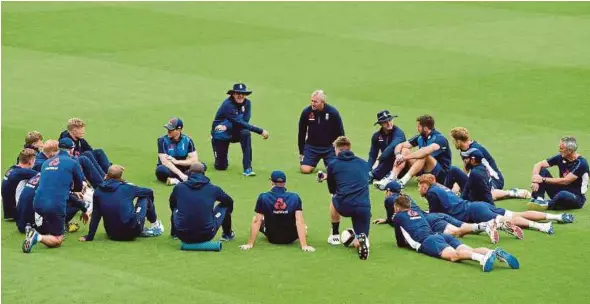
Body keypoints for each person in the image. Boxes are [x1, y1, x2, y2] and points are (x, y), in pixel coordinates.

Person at [419, 174, 574, 238]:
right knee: (516, 214)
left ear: (425, 185)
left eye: (420, 185)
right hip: (477, 206)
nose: (419, 189)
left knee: (506, 221)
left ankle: (543, 227)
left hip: (473, 213)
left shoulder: (432, 193)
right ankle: (557, 217)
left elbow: (438, 212)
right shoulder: (441, 188)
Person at [392, 194, 519, 272]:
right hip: (440, 235)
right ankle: (492, 252)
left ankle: (482, 259)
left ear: (397, 207)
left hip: (429, 241)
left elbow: (400, 241)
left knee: (454, 255)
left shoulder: (397, 217)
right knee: (470, 249)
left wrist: (404, 245)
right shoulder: (418, 213)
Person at [372, 181, 499, 244]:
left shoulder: (389, 199)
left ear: (388, 192)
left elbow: (394, 219)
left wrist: (389, 220)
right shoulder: (405, 197)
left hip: (430, 220)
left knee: (455, 233)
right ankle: (491, 224)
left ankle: (485, 226)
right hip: (437, 215)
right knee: (462, 226)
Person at [22, 138, 86, 253]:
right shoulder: (73, 163)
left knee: (51, 217)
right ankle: (37, 236)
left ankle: (40, 230)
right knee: (57, 240)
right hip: (55, 205)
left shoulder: (46, 163)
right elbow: (78, 187)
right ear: (71, 150)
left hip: (37, 203)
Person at [376, 115, 465, 190]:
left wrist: (405, 158)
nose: (417, 128)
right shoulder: (420, 137)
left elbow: (425, 151)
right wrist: (398, 155)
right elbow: (400, 145)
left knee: (424, 155)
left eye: (418, 126)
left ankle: (402, 182)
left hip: (441, 174)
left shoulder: (439, 139)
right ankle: (391, 178)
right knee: (405, 150)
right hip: (424, 169)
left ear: (425, 128)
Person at [318, 136, 370, 260]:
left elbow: (332, 189)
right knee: (361, 238)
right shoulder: (363, 163)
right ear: (349, 148)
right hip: (364, 206)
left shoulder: (332, 164)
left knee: (333, 198)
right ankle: (361, 240)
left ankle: (335, 235)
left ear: (336, 149)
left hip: (345, 205)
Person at [80, 165, 163, 242]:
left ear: (106, 175)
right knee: (145, 197)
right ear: (120, 177)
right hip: (133, 232)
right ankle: (154, 223)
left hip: (112, 234)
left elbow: (96, 215)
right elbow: (149, 191)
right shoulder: (127, 187)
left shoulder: (98, 191)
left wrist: (89, 236)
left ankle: (137, 224)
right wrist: (149, 209)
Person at [239, 171, 314, 252]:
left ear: (271, 182)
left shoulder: (263, 197)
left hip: (272, 238)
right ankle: (303, 234)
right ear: (285, 183)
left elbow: (257, 221)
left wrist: (249, 244)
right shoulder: (295, 197)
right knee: (302, 223)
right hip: (291, 238)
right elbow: (299, 221)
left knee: (255, 218)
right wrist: (304, 245)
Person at [450, 127, 530, 200]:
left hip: (493, 178)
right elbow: (466, 170)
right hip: (479, 176)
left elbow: (483, 170)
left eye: (454, 140)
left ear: (459, 141)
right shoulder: (464, 151)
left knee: (486, 196)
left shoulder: (475, 150)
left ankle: (513, 192)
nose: (453, 142)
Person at [211, 83, 269, 176]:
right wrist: (260, 131)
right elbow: (239, 122)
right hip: (221, 133)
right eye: (238, 93)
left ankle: (247, 168)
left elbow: (244, 121)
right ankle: (215, 146)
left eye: (243, 93)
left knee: (245, 133)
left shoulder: (247, 103)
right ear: (233, 94)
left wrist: (227, 126)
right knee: (221, 167)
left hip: (235, 131)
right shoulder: (227, 105)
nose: (241, 96)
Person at [169, 162, 235, 243]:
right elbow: (229, 201)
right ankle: (227, 234)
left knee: (175, 207)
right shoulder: (213, 189)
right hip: (207, 234)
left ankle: (174, 233)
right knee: (226, 205)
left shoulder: (179, 187)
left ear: (189, 172)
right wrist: (226, 214)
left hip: (182, 234)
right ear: (203, 173)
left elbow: (172, 204)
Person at [528, 136, 588, 211]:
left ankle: (548, 204)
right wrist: (535, 180)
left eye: (561, 148)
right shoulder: (561, 157)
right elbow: (538, 165)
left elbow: (566, 181)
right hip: (559, 191)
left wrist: (542, 179)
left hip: (576, 197)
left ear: (569, 150)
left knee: (562, 194)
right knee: (542, 170)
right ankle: (539, 199)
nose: (559, 150)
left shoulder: (581, 163)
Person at [298, 90, 345, 174]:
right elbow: (302, 132)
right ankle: (309, 162)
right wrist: (301, 152)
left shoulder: (333, 113)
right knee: (305, 170)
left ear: (322, 102)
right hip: (311, 147)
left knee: (333, 170)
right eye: (312, 101)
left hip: (329, 148)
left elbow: (341, 134)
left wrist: (341, 152)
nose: (313, 103)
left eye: (315, 101)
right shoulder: (306, 112)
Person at [155, 117, 198, 185]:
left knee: (200, 166)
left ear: (179, 130)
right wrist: (181, 174)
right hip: (168, 168)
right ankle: (187, 178)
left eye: (171, 129)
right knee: (160, 170)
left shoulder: (187, 140)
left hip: (182, 166)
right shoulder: (162, 140)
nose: (168, 131)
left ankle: (176, 181)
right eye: (168, 129)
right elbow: (164, 161)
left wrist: (177, 162)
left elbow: (194, 160)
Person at [367, 110, 406, 182]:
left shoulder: (399, 133)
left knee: (391, 155)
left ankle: (374, 175)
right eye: (385, 122)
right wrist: (368, 169)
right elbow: (372, 155)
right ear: (380, 124)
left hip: (400, 165)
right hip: (384, 163)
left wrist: (379, 160)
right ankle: (369, 174)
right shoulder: (376, 136)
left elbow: (392, 147)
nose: (389, 123)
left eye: (390, 120)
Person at [2, 149, 38, 220]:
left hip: (8, 212)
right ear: (31, 161)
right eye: (34, 160)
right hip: (16, 213)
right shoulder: (24, 172)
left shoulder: (12, 169)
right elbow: (43, 176)